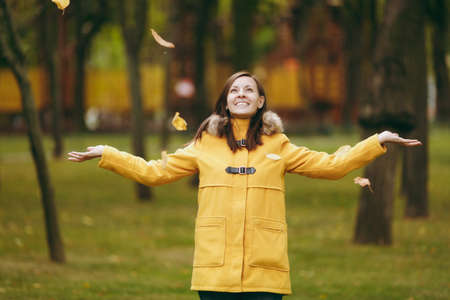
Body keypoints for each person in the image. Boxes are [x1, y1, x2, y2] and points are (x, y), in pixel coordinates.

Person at [67, 71, 421, 300]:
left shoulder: (279, 145)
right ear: (225, 100)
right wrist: (108, 152)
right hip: (214, 272)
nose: (241, 94)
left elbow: (330, 166)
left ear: (260, 100)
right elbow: (154, 172)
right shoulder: (204, 144)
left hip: (265, 273)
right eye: (234, 90)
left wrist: (377, 141)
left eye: (248, 89)